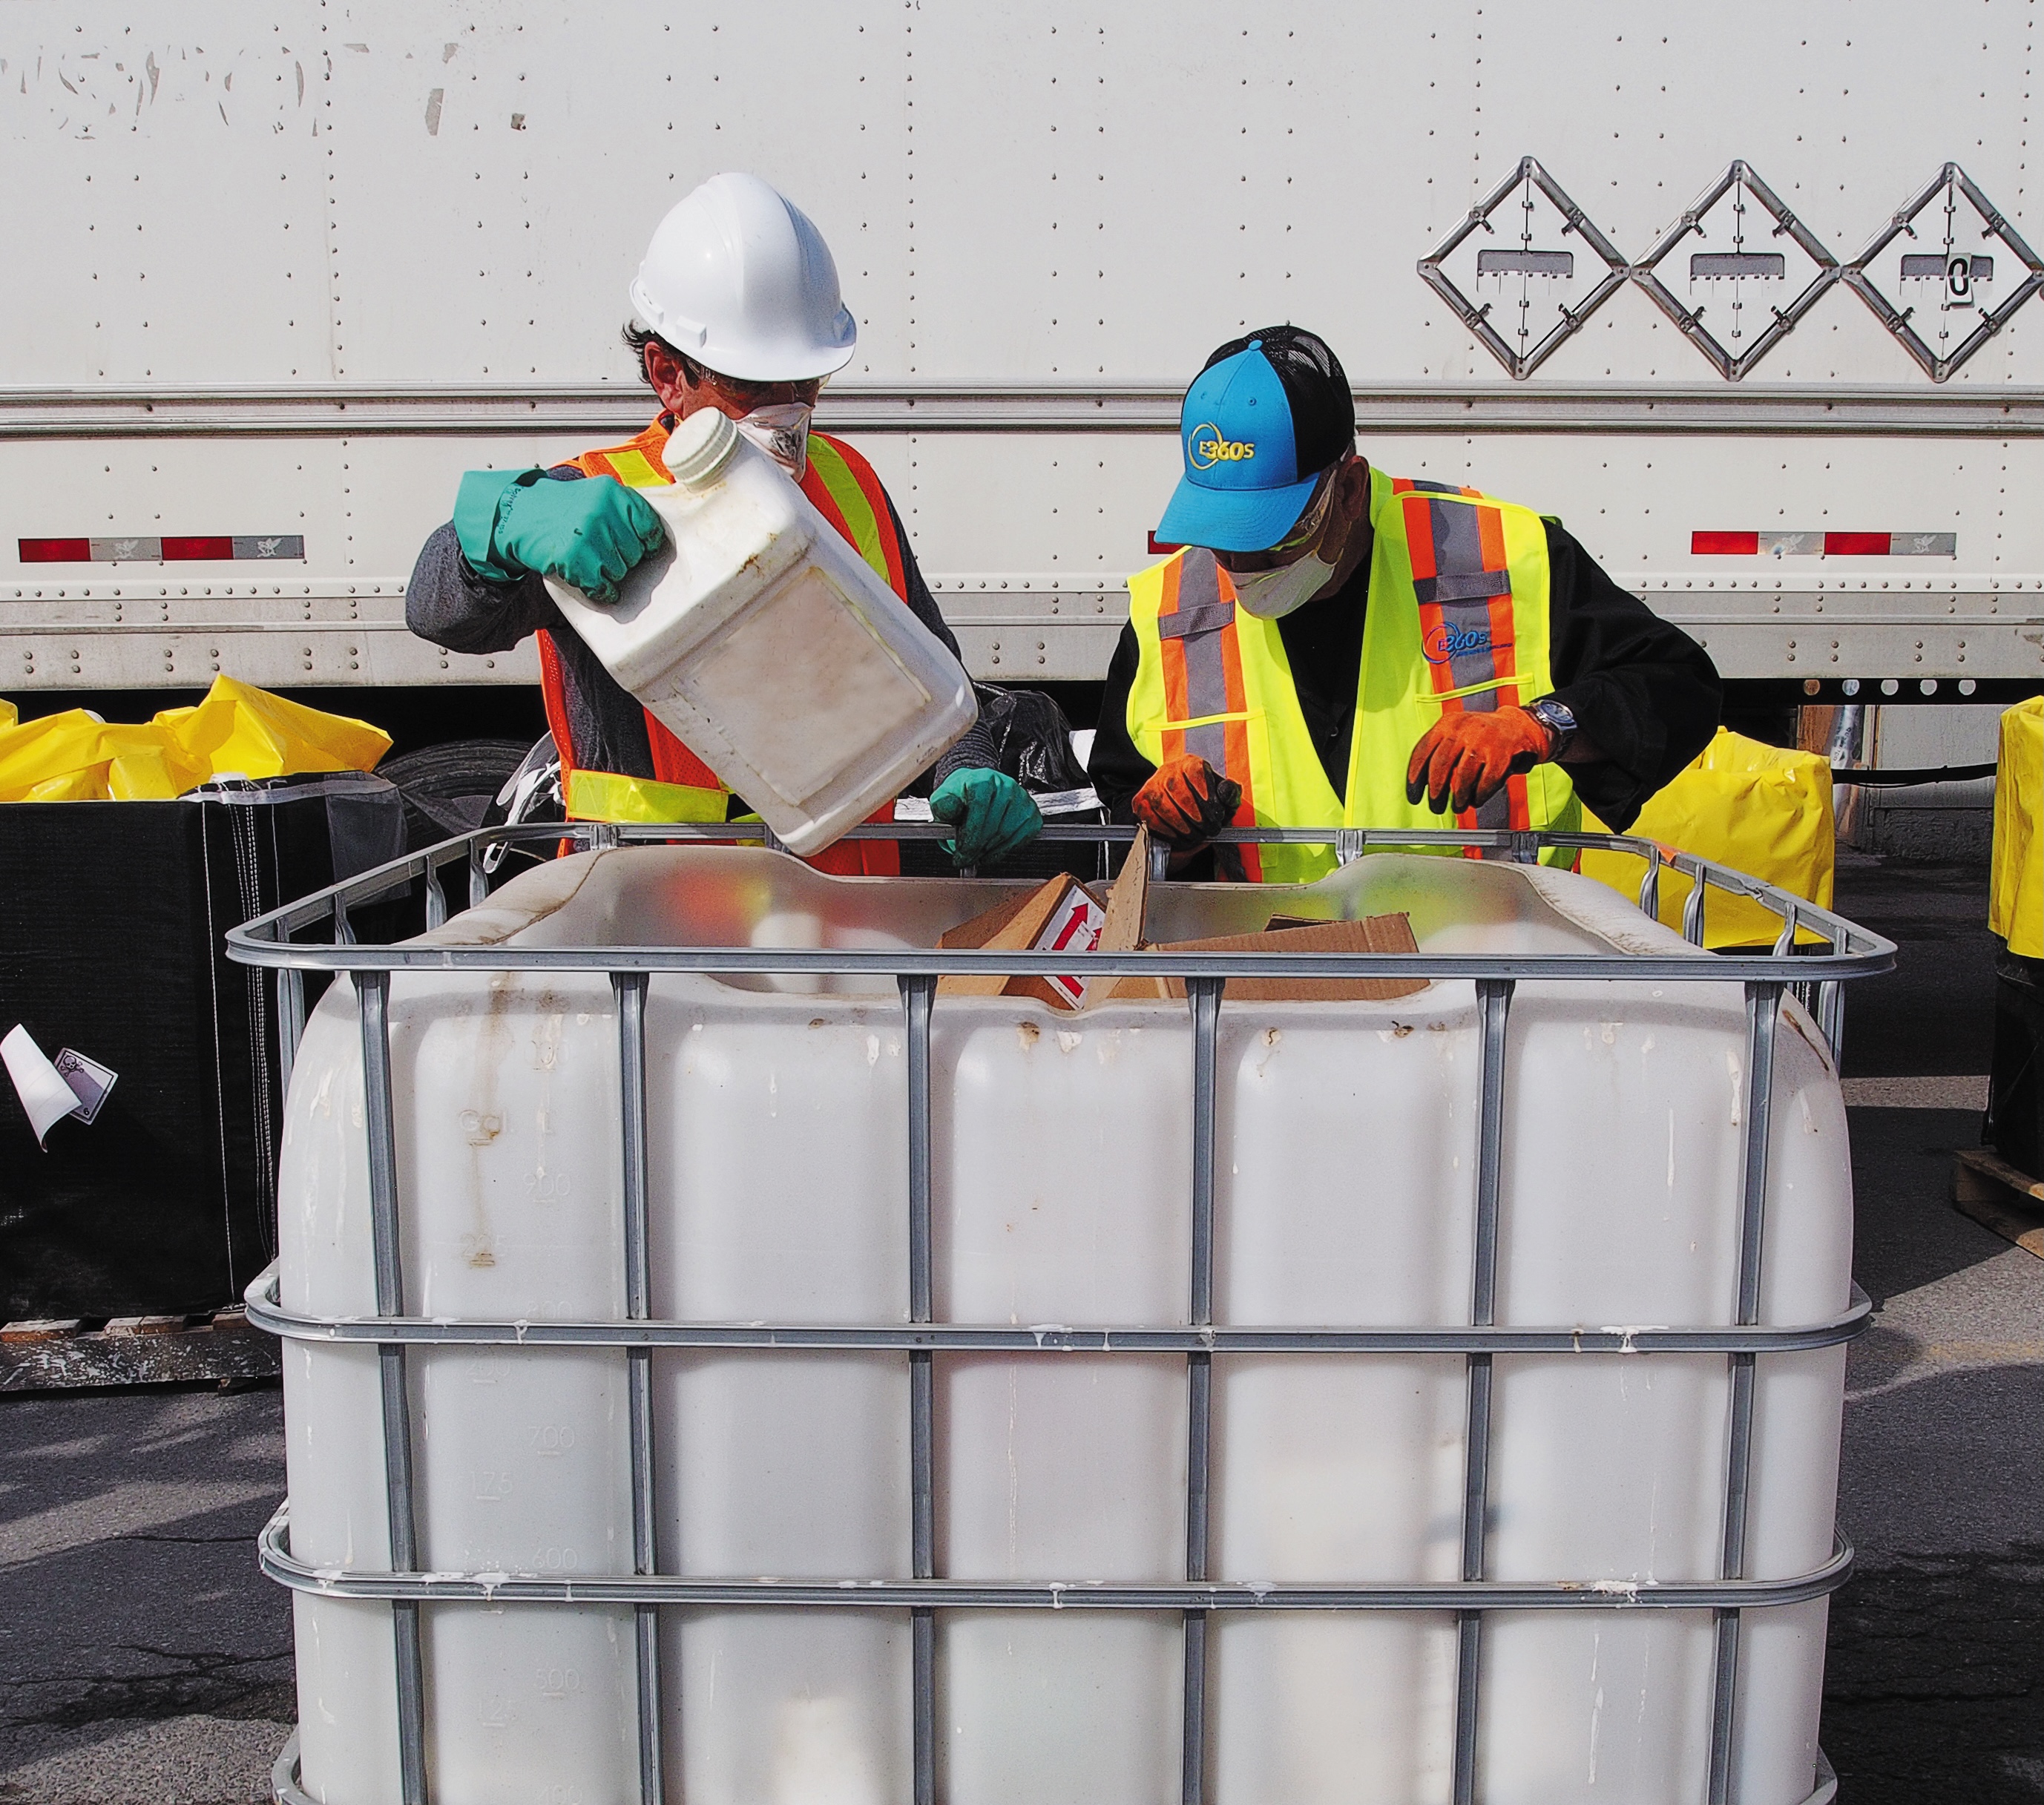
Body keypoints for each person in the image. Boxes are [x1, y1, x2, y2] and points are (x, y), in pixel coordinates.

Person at [406, 171, 1041, 874]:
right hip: (658, 919)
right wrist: (506, 521)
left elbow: (926, 668)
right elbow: (438, 612)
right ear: (666, 374)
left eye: (806, 381)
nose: (788, 407)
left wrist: (964, 762)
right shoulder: (595, 507)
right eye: (752, 383)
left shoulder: (849, 482)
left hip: (842, 913)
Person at [1088, 326, 1721, 881]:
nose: (1241, 568)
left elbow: (1677, 685)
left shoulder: (1501, 554)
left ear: (1350, 487)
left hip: (1484, 978)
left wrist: (1538, 725)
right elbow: (1125, 812)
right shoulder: (1169, 608)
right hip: (1274, 984)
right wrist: (1168, 825)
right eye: (1224, 539)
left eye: (1273, 536)